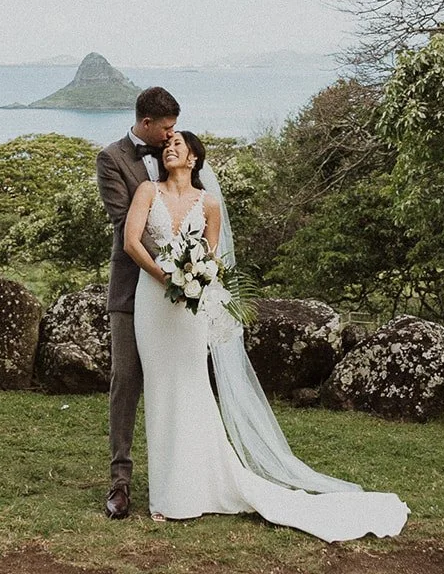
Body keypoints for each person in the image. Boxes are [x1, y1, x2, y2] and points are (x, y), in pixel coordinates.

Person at [122, 129, 409, 541]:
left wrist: (193, 279)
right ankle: (169, 494)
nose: (169, 149)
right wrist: (165, 276)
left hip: (190, 305)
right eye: (166, 145)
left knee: (193, 389)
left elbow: (213, 259)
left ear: (194, 158)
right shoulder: (148, 191)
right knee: (160, 390)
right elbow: (132, 242)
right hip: (154, 300)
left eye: (177, 145)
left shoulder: (210, 203)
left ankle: (196, 488)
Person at [95, 85, 180, 520]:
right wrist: (174, 262)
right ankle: (120, 482)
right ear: (146, 123)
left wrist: (190, 269)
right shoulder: (111, 158)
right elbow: (124, 221)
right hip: (132, 288)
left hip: (179, 292)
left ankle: (178, 475)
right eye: (166, 128)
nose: (171, 135)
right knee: (126, 379)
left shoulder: (175, 153)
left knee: (178, 380)